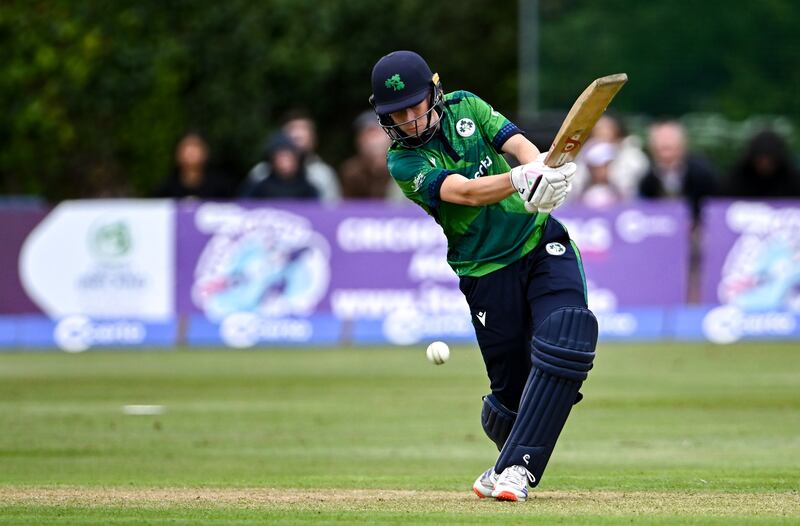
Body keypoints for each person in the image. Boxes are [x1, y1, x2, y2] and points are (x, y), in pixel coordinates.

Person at [370, 50, 597, 502]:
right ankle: (503, 460)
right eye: (398, 114)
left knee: (568, 335)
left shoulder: (465, 106)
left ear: (435, 92)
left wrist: (538, 173)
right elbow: (467, 193)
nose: (410, 120)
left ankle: (516, 471)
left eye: (416, 106)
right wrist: (520, 181)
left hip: (538, 240)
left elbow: (517, 144)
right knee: (511, 400)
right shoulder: (403, 163)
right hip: (485, 270)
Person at [638, 120, 717, 224]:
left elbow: (715, 204)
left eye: (669, 141)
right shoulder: (647, 178)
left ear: (683, 145)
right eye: (661, 141)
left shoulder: (702, 173)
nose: (665, 144)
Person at [339, 111, 404, 201]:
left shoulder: (407, 166)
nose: (373, 141)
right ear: (358, 141)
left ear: (392, 136)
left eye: (378, 133)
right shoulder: (351, 171)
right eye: (368, 134)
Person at [239, 132, 318, 200]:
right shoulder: (261, 188)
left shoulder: (308, 189)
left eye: (289, 157)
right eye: (281, 157)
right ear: (272, 160)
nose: (285, 163)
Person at [154, 132, 231, 199]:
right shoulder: (165, 188)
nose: (191, 152)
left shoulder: (221, 188)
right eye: (186, 147)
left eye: (196, 146)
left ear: (206, 152)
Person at [727, 129, 800, 197]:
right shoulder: (737, 179)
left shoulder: (792, 180)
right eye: (760, 161)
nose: (765, 165)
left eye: (770, 161)